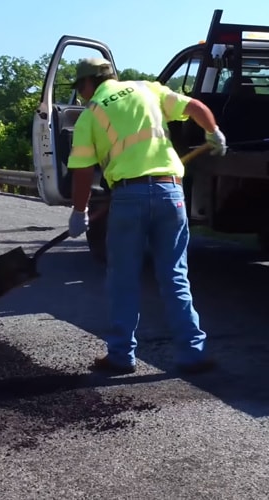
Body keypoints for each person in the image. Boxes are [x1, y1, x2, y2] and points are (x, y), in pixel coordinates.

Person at [64, 57, 228, 375]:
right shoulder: (146, 89)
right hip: (171, 193)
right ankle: (193, 353)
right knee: (175, 276)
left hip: (128, 197)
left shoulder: (91, 114)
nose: (81, 95)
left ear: (87, 84)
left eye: (80, 88)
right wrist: (214, 133)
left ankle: (121, 357)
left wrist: (79, 211)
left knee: (124, 280)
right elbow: (195, 106)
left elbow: (82, 171)